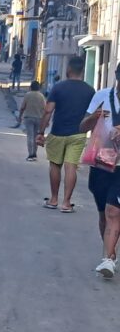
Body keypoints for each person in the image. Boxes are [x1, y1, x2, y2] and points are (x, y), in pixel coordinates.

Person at [37, 56, 96, 213]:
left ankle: (54, 199)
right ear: (82, 71)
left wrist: (41, 132)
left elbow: (48, 110)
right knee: (71, 167)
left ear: (68, 69)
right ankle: (66, 203)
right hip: (78, 134)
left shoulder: (58, 87)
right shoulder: (90, 91)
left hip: (58, 132)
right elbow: (93, 115)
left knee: (55, 165)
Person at [79, 63, 120, 277]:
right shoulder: (102, 96)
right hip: (102, 163)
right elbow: (82, 127)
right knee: (104, 213)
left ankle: (107, 259)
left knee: (114, 211)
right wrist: (94, 117)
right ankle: (109, 255)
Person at [18, 80, 46, 161]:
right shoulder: (41, 96)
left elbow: (23, 107)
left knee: (30, 136)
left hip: (28, 118)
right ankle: (34, 154)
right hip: (39, 119)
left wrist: (20, 116)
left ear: (30, 87)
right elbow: (44, 109)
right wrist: (45, 121)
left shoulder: (28, 95)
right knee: (36, 136)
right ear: (38, 88)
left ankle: (30, 154)